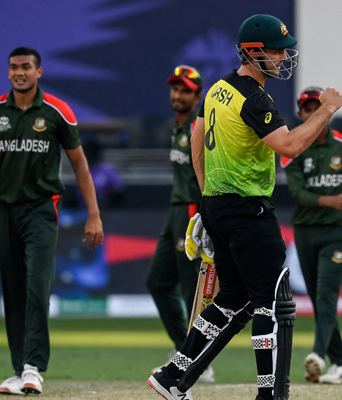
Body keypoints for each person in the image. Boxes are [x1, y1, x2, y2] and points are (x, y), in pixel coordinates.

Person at [147, 14, 342, 400]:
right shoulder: (255, 98)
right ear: (254, 54)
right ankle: (270, 395)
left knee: (234, 301)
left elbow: (195, 135)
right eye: (277, 51)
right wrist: (326, 110)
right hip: (248, 211)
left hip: (220, 208)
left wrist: (207, 202)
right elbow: (289, 146)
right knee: (271, 305)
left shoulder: (218, 89)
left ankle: (173, 375)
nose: (284, 58)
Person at [0, 47, 104, 395]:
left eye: (26, 67)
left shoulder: (58, 112)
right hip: (6, 212)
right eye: (13, 67)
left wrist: (93, 214)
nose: (19, 73)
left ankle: (33, 367)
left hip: (43, 210)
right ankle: (19, 369)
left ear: (39, 72)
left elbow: (80, 166)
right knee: (12, 292)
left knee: (37, 286)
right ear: (9, 71)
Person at [281, 86, 342, 384]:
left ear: (328, 110)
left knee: (325, 294)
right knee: (317, 298)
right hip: (306, 231)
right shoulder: (294, 146)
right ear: (301, 114)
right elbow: (299, 193)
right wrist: (330, 200)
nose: (312, 114)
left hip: (338, 231)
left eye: (316, 108)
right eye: (307, 110)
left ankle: (318, 354)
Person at [146, 65, 214, 383]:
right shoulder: (177, 127)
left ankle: (197, 360)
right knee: (157, 282)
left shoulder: (200, 127)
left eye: (185, 90)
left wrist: (206, 216)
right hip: (175, 211)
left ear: (198, 95)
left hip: (191, 211)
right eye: (175, 89)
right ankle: (183, 348)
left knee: (192, 290)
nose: (178, 95)